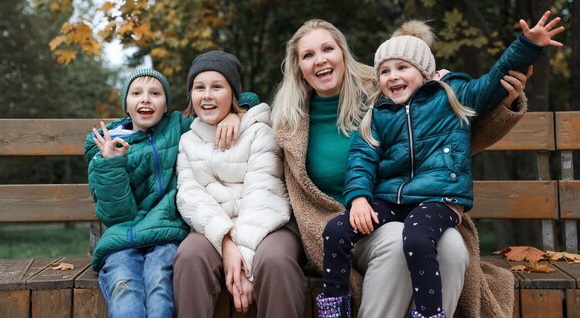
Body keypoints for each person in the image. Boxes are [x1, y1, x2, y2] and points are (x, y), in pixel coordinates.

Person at [270, 19, 531, 318]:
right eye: (308, 55)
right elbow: (239, 109)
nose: (320, 60)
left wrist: (502, 99)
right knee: (397, 239)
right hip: (341, 230)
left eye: (328, 49)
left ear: (343, 53)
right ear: (297, 66)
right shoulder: (289, 120)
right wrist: (232, 114)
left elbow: (444, 126)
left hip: (412, 208)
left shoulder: (381, 92)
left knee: (453, 249)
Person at [85, 68, 256, 318]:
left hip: (166, 236)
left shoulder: (178, 126)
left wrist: (235, 112)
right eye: (136, 93)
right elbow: (117, 216)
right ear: (126, 104)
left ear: (166, 104)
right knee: (125, 291)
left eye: (155, 93)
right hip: (122, 241)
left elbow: (244, 97)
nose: (145, 99)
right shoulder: (104, 148)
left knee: (159, 287)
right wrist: (111, 163)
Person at [173, 50, 296, 318]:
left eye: (217, 87)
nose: (207, 95)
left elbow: (264, 196)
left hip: (268, 227)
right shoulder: (187, 141)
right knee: (190, 255)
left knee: (276, 261)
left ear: (233, 93)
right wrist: (226, 243)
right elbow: (190, 197)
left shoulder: (259, 132)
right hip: (215, 231)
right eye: (199, 88)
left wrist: (245, 265)